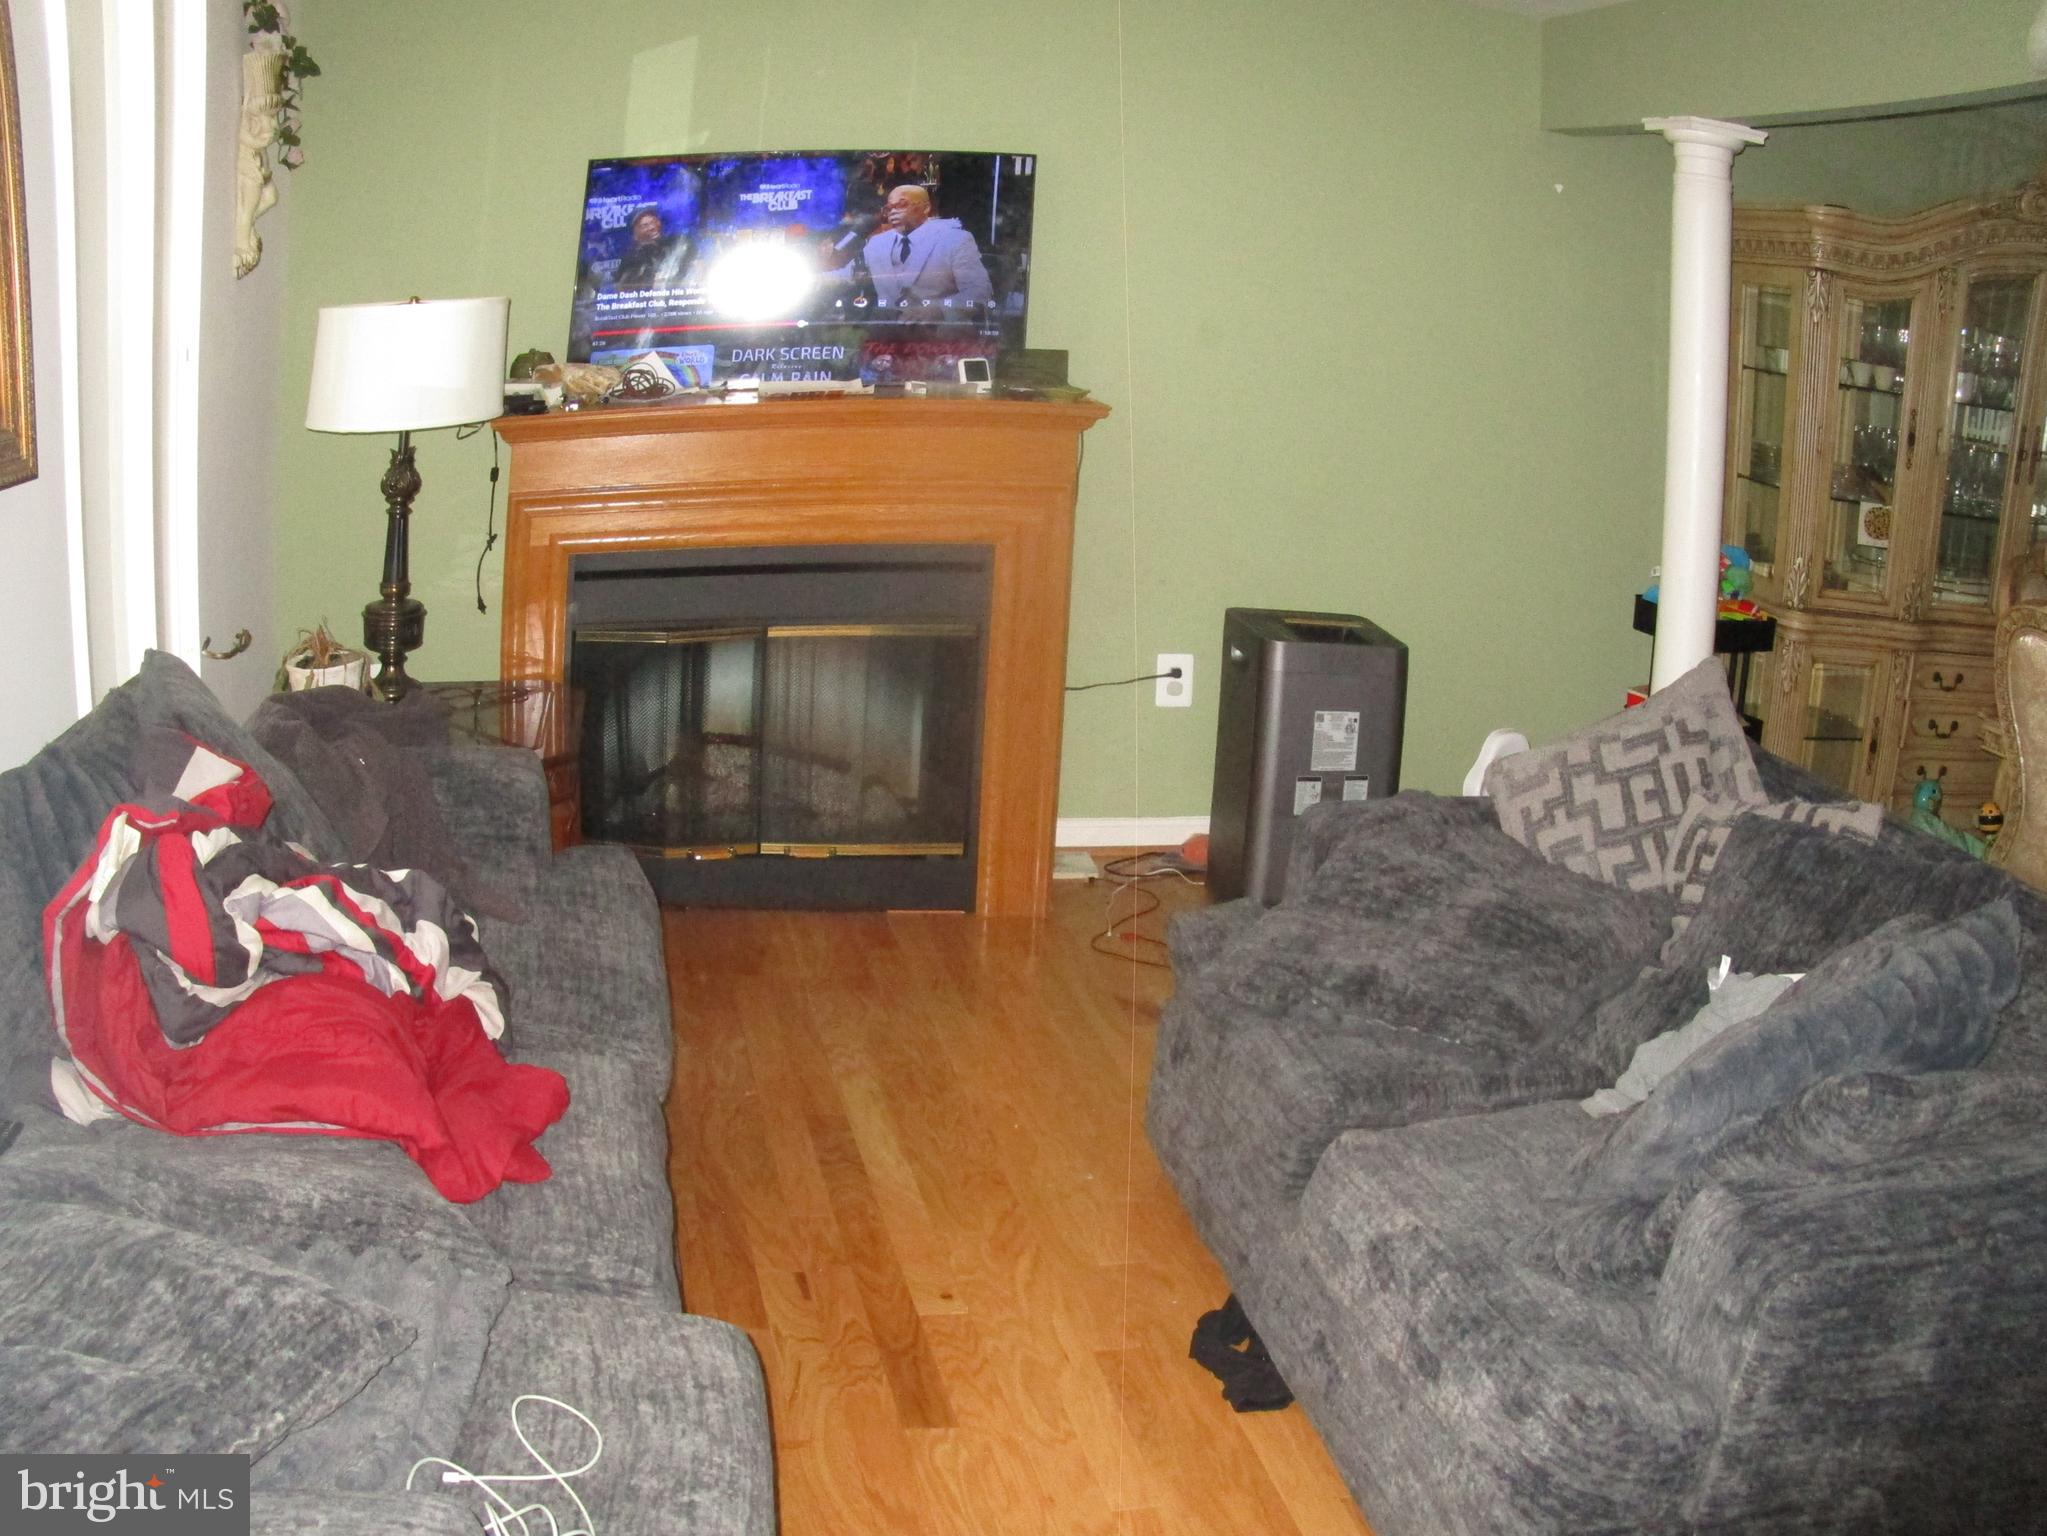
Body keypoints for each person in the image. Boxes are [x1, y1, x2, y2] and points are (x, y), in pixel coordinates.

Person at [848, 185, 994, 312]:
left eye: (901, 204)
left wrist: (938, 311)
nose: (893, 211)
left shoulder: (954, 239)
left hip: (939, 330)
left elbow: (980, 291)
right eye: (889, 208)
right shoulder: (876, 243)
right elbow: (849, 275)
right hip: (886, 329)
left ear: (926, 208)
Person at [612, 205, 692, 291]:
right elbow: (622, 289)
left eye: (654, 222)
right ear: (635, 234)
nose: (652, 227)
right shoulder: (630, 260)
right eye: (645, 225)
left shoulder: (675, 243)